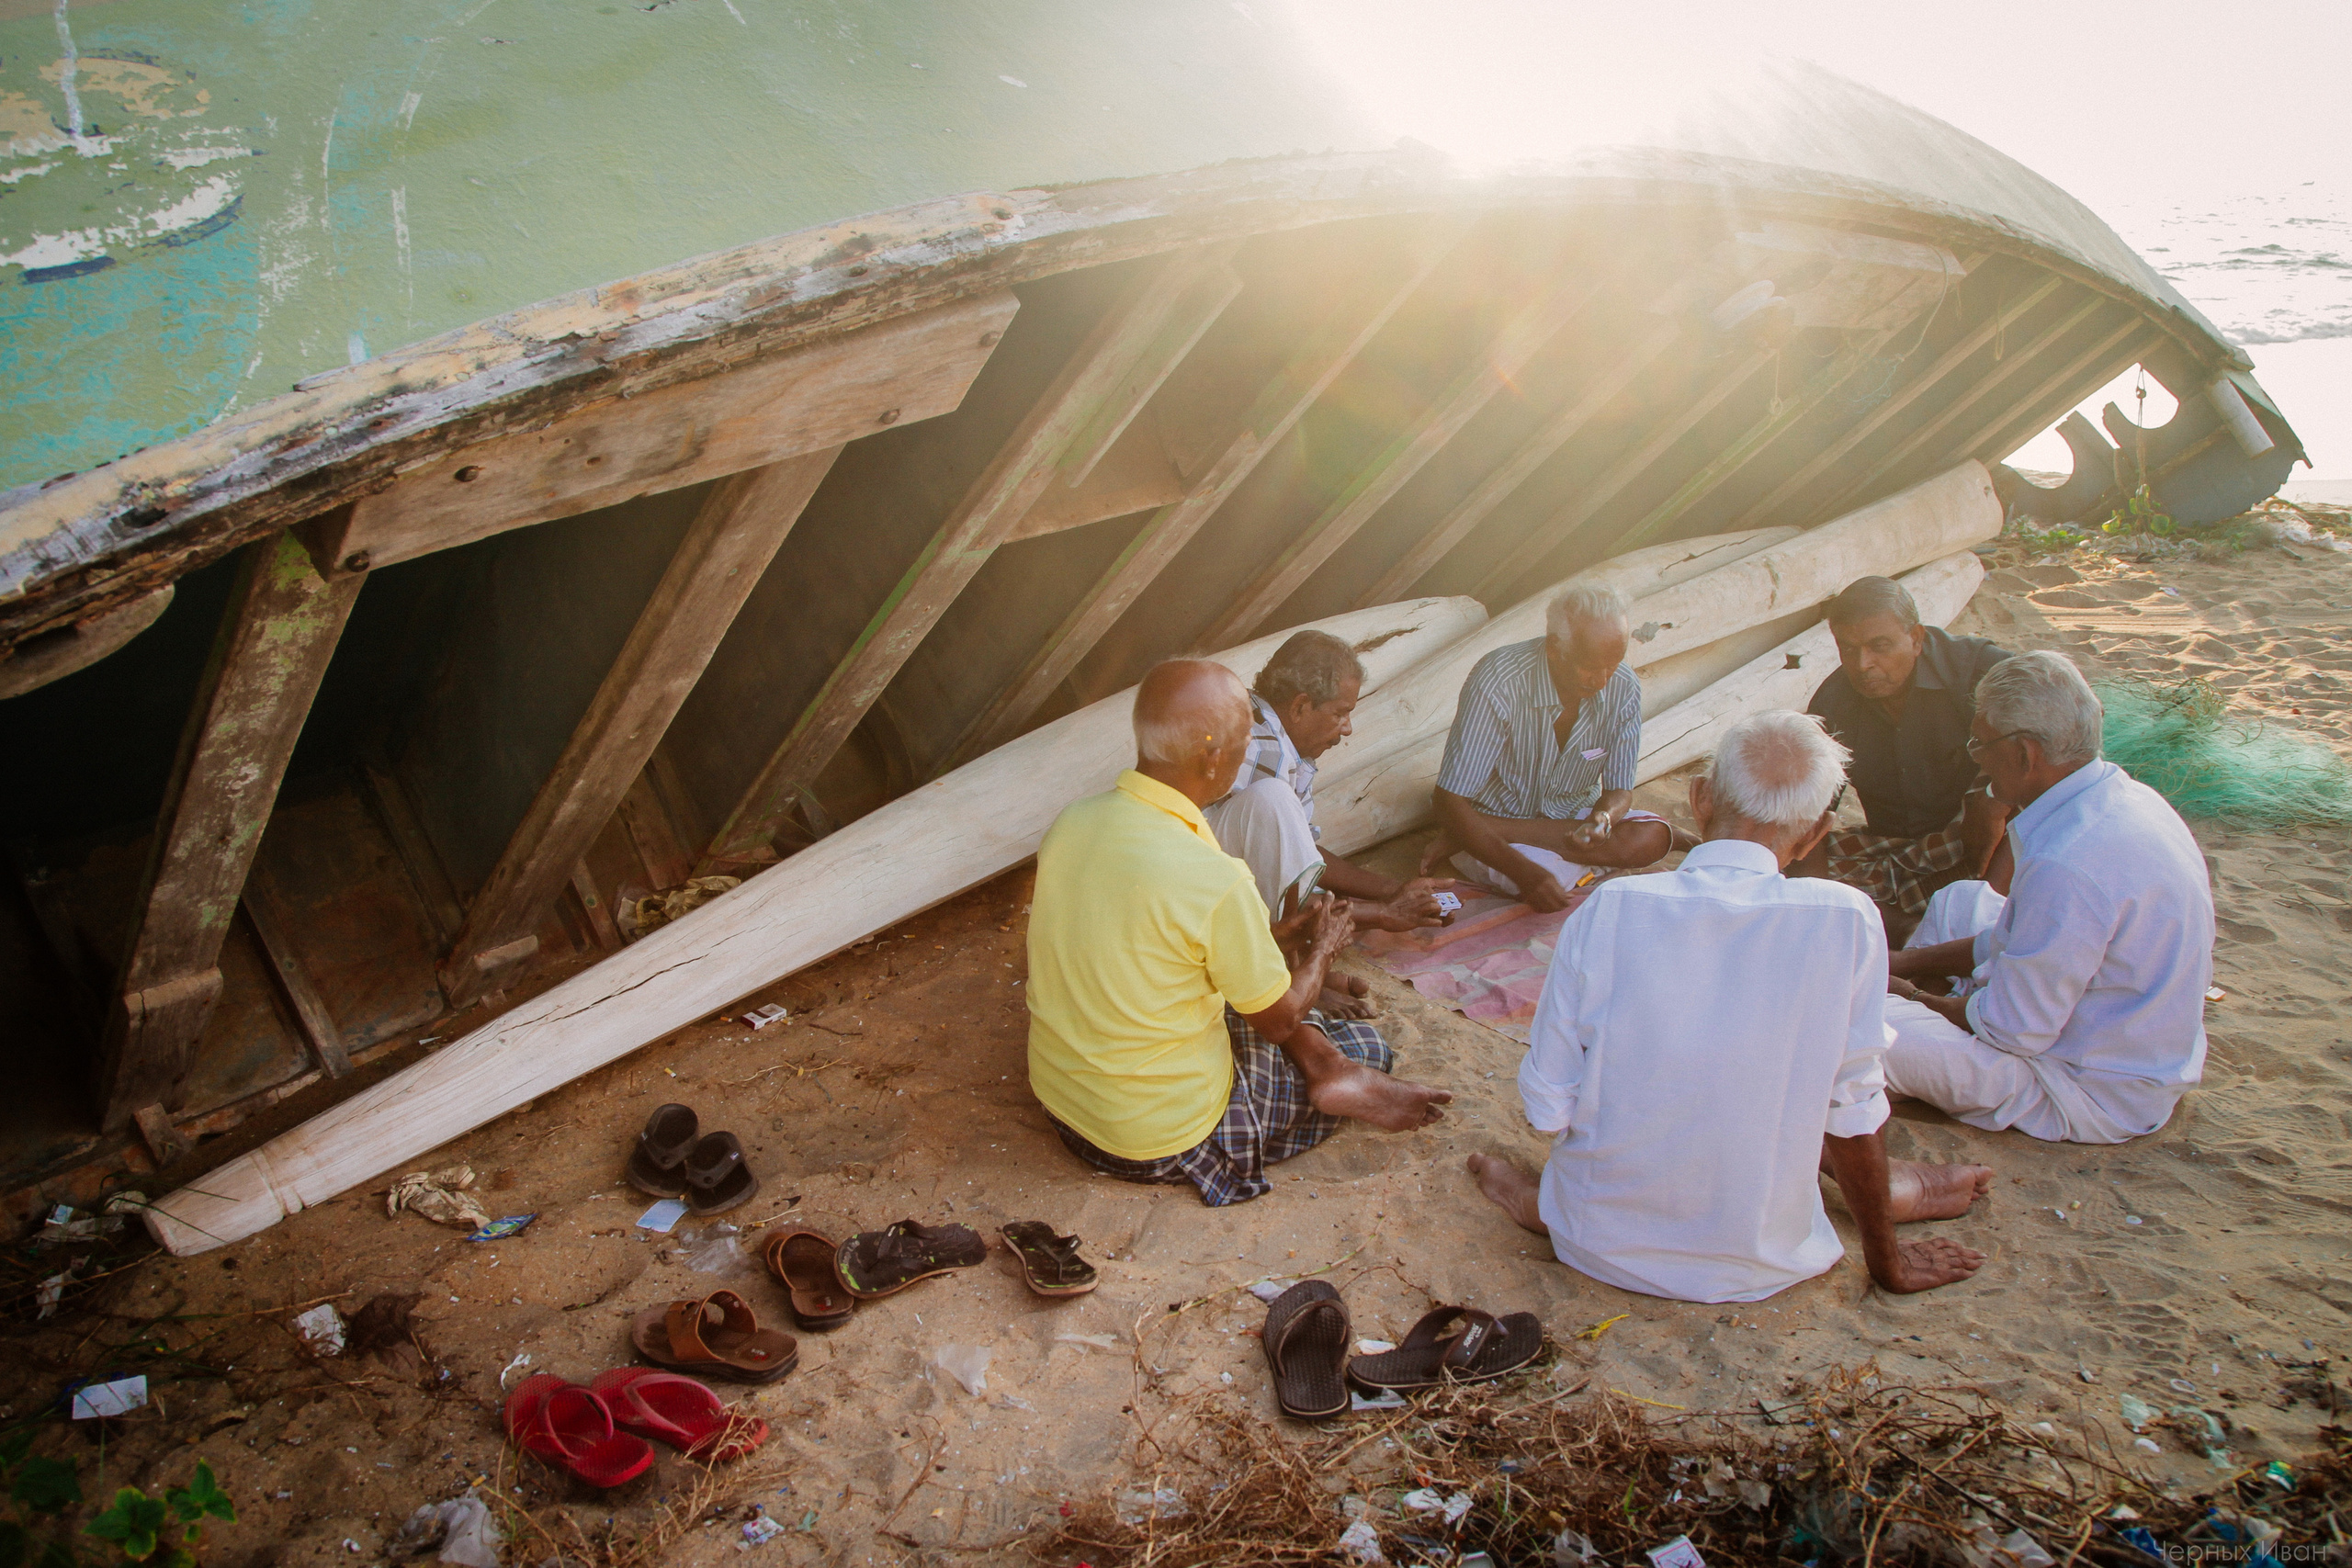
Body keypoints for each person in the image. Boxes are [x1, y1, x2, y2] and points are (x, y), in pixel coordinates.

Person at [1467, 709, 1992, 1303]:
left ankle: (1545, 1206)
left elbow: (1547, 1108)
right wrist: (1887, 1262)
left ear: (1699, 799)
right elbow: (1853, 1109)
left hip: (1598, 1242)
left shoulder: (1612, 906)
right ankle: (1894, 1189)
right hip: (1764, 1258)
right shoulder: (1846, 919)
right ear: (1816, 832)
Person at [1025, 660, 1453, 1205]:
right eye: (1245, 742)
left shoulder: (1074, 821)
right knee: (1364, 1044)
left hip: (1065, 1105)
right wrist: (1323, 951)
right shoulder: (1214, 878)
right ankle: (1333, 1067)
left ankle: (1328, 1066)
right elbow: (1278, 1022)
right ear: (1212, 758)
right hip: (1150, 1137)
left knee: (1247, 989)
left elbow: (1147, 944)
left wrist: (1270, 936)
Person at [1883, 651, 2214, 1143]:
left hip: (2084, 1087)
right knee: (1962, 900)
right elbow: (2013, 936)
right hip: (2124, 1047)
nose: (1977, 757)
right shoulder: (2128, 797)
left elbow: (2012, 1031)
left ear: (2024, 754)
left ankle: (1921, 1050)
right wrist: (1904, 963)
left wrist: (1908, 994)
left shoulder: (2068, 863)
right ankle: (1930, 1033)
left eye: (1980, 743)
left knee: (1864, 1023)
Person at [1203, 631, 1461, 1017]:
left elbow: (1301, 850)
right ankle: (1285, 979)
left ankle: (1292, 972)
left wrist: (1393, 891)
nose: (1347, 728)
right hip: (1197, 906)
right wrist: (1383, 913)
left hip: (1208, 891)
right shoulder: (1262, 748)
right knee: (1273, 801)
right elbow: (1286, 880)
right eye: (1340, 713)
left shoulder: (1278, 738)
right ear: (1300, 706)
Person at [1420, 584, 1676, 913]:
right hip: (1494, 827)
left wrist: (1603, 819)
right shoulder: (1499, 680)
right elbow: (1449, 803)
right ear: (1555, 648)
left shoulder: (1623, 685)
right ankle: (1482, 841)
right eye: (1590, 667)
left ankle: (1463, 838)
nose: (1602, 681)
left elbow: (1619, 791)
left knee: (1653, 837)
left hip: (1572, 825)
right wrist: (1524, 872)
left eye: (1612, 665)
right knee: (1548, 877)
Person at [1801, 576, 2012, 932]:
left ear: (1915, 639)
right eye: (1848, 649)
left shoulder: (1974, 668)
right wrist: (1815, 899)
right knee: (1786, 859)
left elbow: (2071, 715)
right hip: (1896, 851)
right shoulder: (1833, 704)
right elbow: (1810, 814)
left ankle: (1958, 917)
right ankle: (1910, 927)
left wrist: (1994, 801)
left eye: (1879, 646)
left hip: (1982, 843)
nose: (1862, 664)